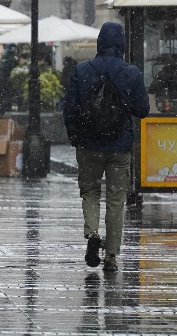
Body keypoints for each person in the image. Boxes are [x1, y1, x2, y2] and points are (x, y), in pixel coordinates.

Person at [61, 22, 150, 273]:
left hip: (89, 145)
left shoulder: (81, 71)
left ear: (100, 43)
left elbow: (69, 109)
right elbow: (142, 110)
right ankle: (111, 255)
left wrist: (75, 135)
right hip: (119, 146)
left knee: (90, 191)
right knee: (116, 198)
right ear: (121, 44)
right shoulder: (131, 73)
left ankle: (92, 233)